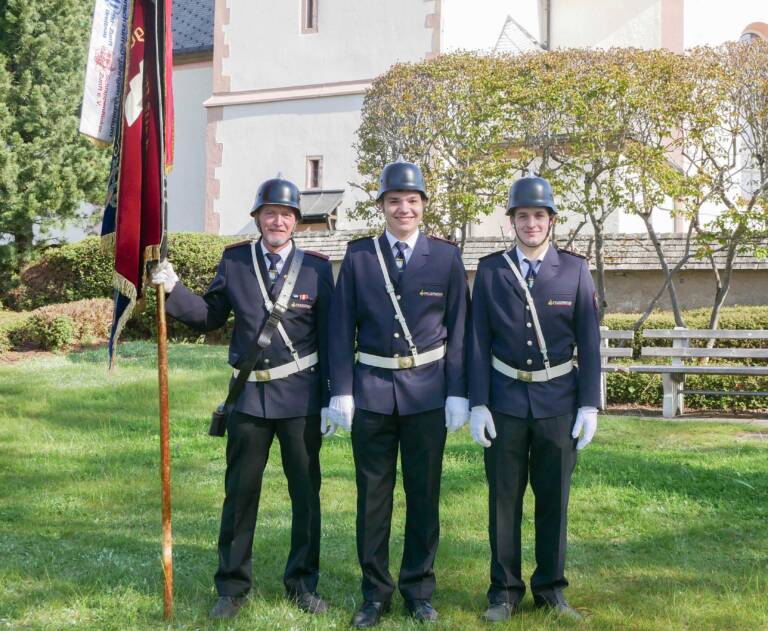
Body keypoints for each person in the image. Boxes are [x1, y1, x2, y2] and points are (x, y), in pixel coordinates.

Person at [151, 176, 333, 619]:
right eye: (270, 213)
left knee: (306, 495)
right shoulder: (235, 262)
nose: (278, 221)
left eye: (286, 214)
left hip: (301, 399)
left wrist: (331, 398)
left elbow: (329, 338)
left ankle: (302, 583)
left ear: (297, 222)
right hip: (249, 398)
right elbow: (209, 317)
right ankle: (232, 587)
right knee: (240, 493)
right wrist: (174, 289)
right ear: (257, 218)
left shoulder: (317, 268)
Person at [327, 159, 470, 627]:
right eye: (394, 201)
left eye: (411, 201)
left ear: (424, 207)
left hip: (428, 394)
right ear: (382, 207)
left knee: (424, 496)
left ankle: (418, 588)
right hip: (371, 391)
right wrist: (341, 391)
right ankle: (374, 593)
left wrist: (457, 392)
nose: (403, 208)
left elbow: (460, 330)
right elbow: (340, 326)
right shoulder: (361, 256)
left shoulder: (446, 257)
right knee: (373, 497)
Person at [468, 175, 600, 622]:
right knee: (504, 500)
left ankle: (550, 589)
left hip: (558, 402)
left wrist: (588, 405)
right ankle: (503, 591)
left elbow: (589, 341)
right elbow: (476, 341)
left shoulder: (576, 270)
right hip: (504, 401)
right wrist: (478, 402)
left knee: (553, 499)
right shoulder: (490, 271)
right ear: (511, 222)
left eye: (538, 215)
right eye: (522, 215)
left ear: (551, 221)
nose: (530, 223)